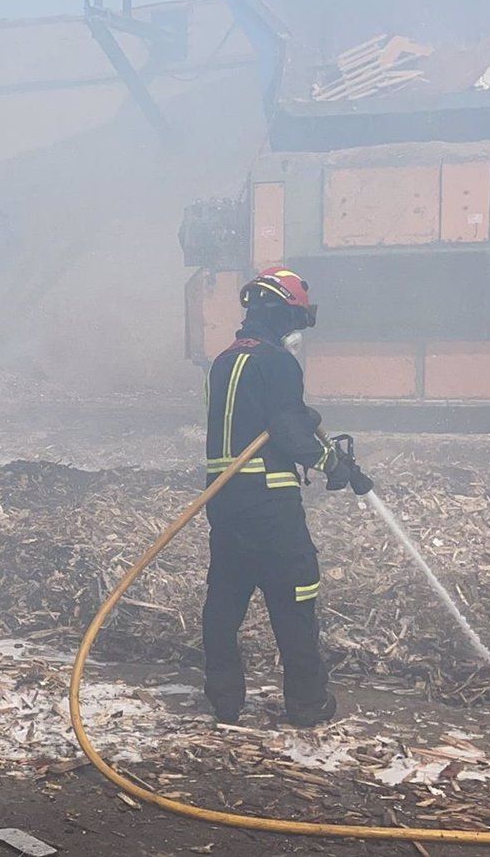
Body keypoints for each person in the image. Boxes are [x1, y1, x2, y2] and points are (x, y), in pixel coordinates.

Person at [201, 266, 372, 726]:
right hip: (269, 501)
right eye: (294, 320)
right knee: (296, 593)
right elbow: (290, 432)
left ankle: (224, 699)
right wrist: (335, 464)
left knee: (226, 598)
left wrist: (295, 415)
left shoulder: (225, 361)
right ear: (279, 314)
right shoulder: (276, 362)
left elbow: (257, 422)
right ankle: (306, 702)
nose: (295, 331)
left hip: (225, 502)